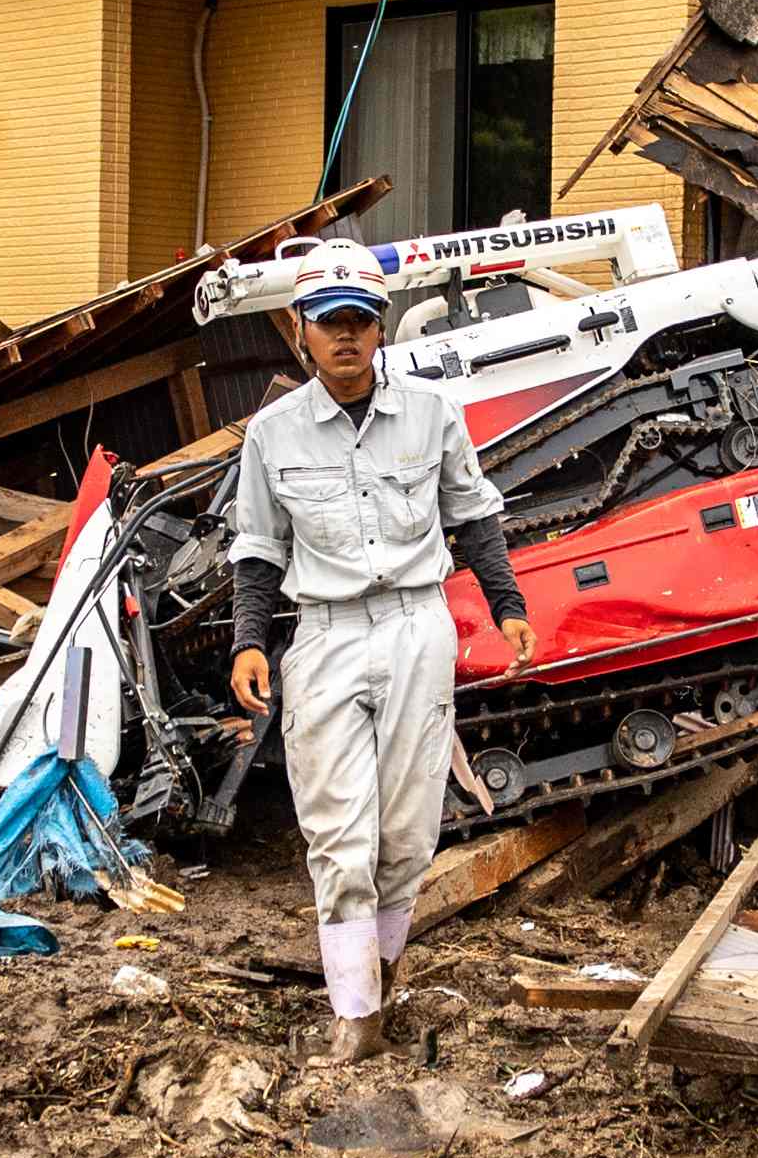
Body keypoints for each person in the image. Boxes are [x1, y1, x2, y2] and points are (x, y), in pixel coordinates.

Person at [222, 242, 533, 1063]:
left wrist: (508, 608)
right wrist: (250, 641)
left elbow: (474, 516)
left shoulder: (431, 415)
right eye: (330, 325)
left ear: (381, 325)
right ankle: (355, 1018)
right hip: (322, 635)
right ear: (301, 331)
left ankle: (380, 973)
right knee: (339, 836)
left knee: (406, 834)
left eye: (361, 321)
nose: (347, 338)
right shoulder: (273, 434)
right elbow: (258, 546)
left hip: (414, 628)